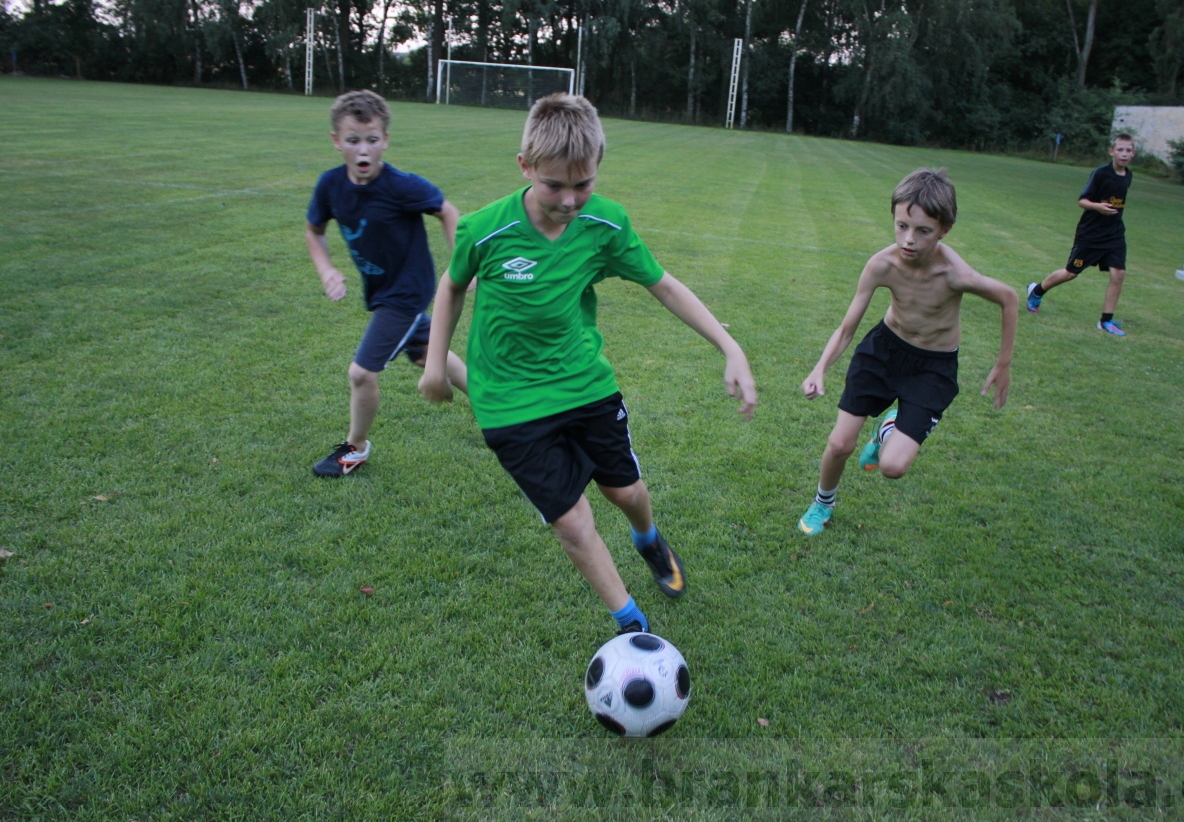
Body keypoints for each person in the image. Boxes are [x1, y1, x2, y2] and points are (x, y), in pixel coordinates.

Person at [418, 93, 757, 634]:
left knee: (623, 492)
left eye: (585, 184)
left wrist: (730, 346)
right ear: (525, 167)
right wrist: (436, 364)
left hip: (585, 385)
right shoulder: (485, 229)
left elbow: (664, 286)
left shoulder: (606, 224)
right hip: (509, 403)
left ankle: (647, 538)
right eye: (555, 185)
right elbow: (453, 284)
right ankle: (632, 626)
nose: (571, 200)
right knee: (572, 522)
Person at [797, 168, 1017, 536]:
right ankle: (823, 502)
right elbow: (848, 326)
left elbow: (1008, 298)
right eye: (902, 226)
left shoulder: (955, 274)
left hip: (933, 367)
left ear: (944, 229)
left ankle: (886, 431)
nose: (909, 239)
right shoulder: (882, 264)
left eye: (922, 231)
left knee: (892, 467)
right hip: (883, 351)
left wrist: (1004, 361)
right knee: (839, 444)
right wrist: (820, 368)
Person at [305, 89, 468, 477]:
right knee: (435, 355)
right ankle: (508, 417)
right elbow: (314, 230)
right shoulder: (330, 186)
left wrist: (463, 265)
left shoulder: (401, 186)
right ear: (337, 141)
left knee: (361, 372)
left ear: (385, 141)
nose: (363, 150)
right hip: (382, 294)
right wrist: (326, 269)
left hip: (406, 294)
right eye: (353, 140)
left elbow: (446, 211)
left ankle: (355, 449)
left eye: (372, 140)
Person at [1025, 134, 1136, 336]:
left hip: (1115, 235)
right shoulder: (1101, 174)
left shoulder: (1128, 175)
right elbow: (1082, 201)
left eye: (1128, 150)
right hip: (1091, 234)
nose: (1124, 154)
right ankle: (1037, 291)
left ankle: (1106, 321)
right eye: (1120, 149)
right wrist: (1098, 207)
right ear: (1112, 151)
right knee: (1071, 273)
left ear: (1133, 153)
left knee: (1118, 273)